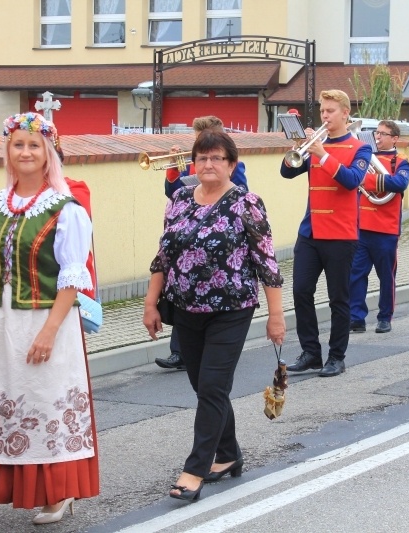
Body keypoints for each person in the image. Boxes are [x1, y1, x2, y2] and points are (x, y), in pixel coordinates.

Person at [0, 112, 99, 531]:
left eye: (33, 145)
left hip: (45, 320)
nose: (25, 152)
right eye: (17, 145)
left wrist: (49, 332)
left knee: (42, 405)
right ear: (7, 152)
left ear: (48, 154)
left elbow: (72, 278)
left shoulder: (67, 209)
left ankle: (57, 493)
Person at [143, 129, 285, 502]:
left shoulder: (246, 204)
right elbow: (163, 255)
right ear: (194, 162)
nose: (208, 164)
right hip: (185, 308)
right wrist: (150, 302)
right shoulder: (179, 201)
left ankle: (194, 469)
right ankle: (228, 453)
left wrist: (276, 316)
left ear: (231, 165)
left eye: (217, 158)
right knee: (204, 386)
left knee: (211, 387)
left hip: (231, 309)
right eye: (202, 157)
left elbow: (266, 262)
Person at [280, 89, 371, 378]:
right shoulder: (314, 145)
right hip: (310, 232)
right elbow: (288, 173)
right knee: (301, 291)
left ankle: (337, 356)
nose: (325, 116)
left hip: (341, 235)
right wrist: (297, 148)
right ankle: (311, 352)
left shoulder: (360, 148)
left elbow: (352, 180)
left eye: (330, 111)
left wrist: (323, 154)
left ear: (345, 113)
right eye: (323, 111)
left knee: (338, 299)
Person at [155, 115, 249, 371]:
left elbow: (239, 190)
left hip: (219, 247)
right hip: (188, 241)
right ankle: (179, 352)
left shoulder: (232, 165)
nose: (203, 152)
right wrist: (174, 167)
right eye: (198, 143)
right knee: (182, 290)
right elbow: (171, 191)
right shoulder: (192, 160)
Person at [349, 120, 409, 334]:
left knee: (386, 276)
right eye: (377, 133)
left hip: (386, 229)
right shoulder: (365, 157)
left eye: (384, 134)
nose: (378, 137)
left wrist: (367, 181)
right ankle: (356, 317)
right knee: (356, 274)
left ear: (395, 138)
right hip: (362, 226)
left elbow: (399, 184)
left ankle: (385, 317)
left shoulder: (403, 161)